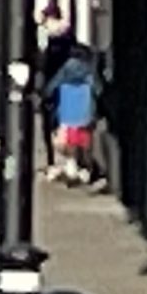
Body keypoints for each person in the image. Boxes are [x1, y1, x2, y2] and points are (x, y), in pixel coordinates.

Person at [48, 41, 101, 186]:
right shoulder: (89, 71)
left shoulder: (65, 69)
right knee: (83, 142)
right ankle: (83, 168)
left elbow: (51, 86)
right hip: (85, 111)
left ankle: (71, 167)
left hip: (67, 111)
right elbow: (98, 89)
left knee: (66, 142)